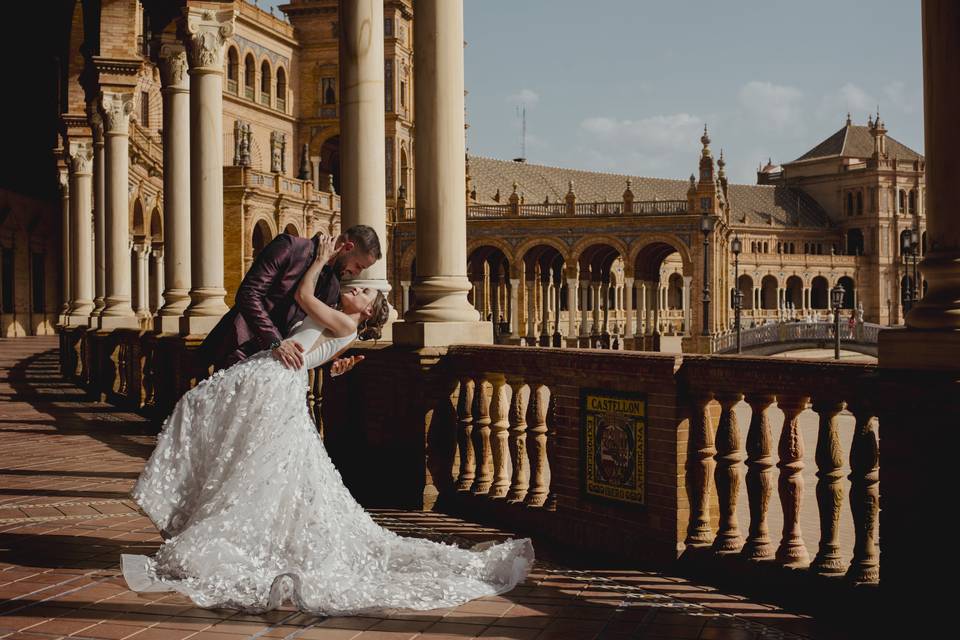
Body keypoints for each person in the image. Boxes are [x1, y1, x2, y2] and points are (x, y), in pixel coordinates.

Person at [122, 234, 534, 614]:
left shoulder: (346, 320)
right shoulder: (340, 316)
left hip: (273, 379)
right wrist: (331, 363)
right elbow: (309, 350)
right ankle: (215, 519)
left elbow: (302, 297)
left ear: (368, 310)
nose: (357, 287)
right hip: (274, 375)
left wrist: (319, 260)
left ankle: (220, 528)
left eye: (365, 291)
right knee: (242, 449)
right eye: (359, 278)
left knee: (233, 443)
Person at [197, 224, 381, 375]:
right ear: (348, 247)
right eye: (358, 266)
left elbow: (310, 334)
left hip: (275, 369)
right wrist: (276, 342)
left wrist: (331, 361)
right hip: (237, 347)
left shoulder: (332, 286)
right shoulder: (290, 246)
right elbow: (248, 294)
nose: (356, 273)